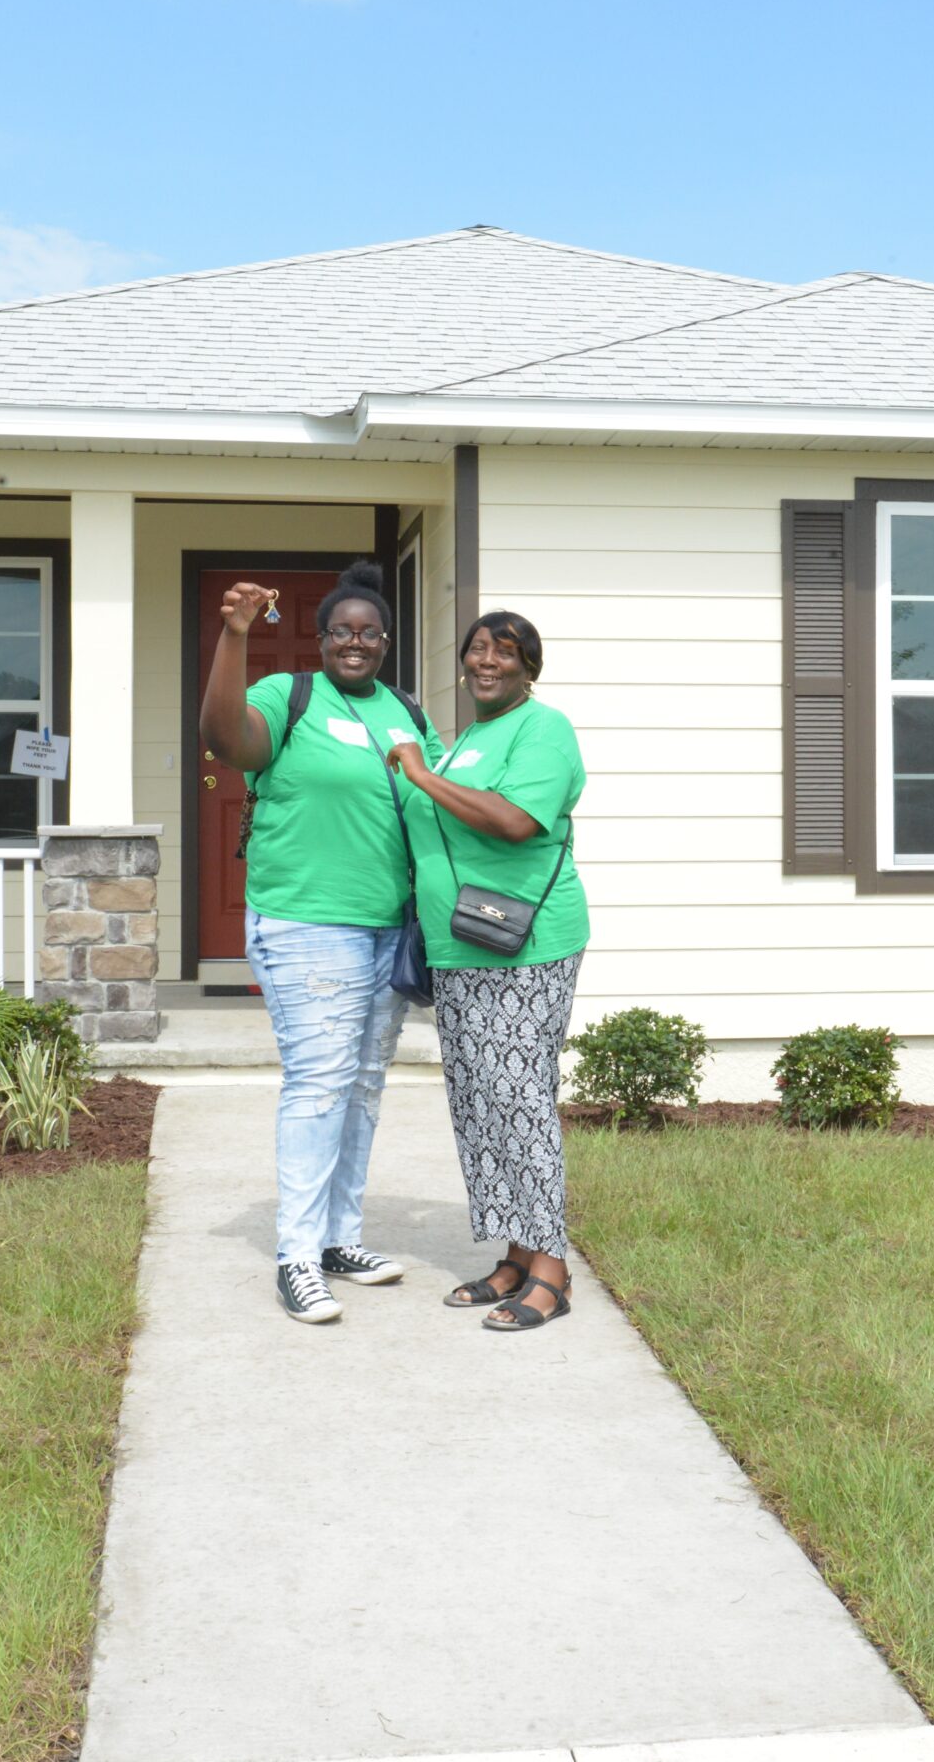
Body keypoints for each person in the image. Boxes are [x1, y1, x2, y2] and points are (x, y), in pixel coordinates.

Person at [198, 559, 442, 1327]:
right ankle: (296, 1258)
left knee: (365, 1082)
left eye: (369, 633)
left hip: (388, 928)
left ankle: (340, 1239)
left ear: (387, 641)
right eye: (342, 631)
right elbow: (223, 738)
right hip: (307, 923)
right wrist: (234, 635)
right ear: (322, 638)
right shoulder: (288, 695)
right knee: (319, 1083)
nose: (356, 642)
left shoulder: (408, 713)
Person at [387, 609, 590, 1333]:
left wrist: (416, 771)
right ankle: (515, 1255)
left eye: (505, 653)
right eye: (477, 649)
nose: (487, 662)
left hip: (526, 945)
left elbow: (512, 821)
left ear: (530, 667)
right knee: (479, 1105)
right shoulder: (468, 738)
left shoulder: (545, 729)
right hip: (461, 946)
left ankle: (554, 1271)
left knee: (519, 1100)